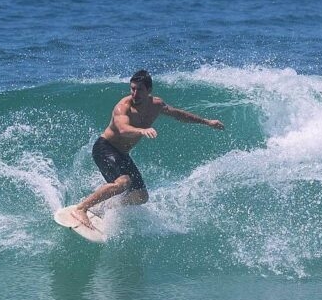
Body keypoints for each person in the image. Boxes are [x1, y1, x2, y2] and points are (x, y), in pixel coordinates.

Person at [72, 69, 224, 229]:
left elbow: (179, 115)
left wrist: (207, 122)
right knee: (123, 182)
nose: (135, 93)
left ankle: (103, 207)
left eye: (139, 89)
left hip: (122, 154)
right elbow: (122, 128)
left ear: (149, 90)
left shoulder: (156, 105)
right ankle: (81, 208)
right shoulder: (123, 107)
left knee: (141, 196)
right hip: (105, 148)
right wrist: (141, 130)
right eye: (132, 88)